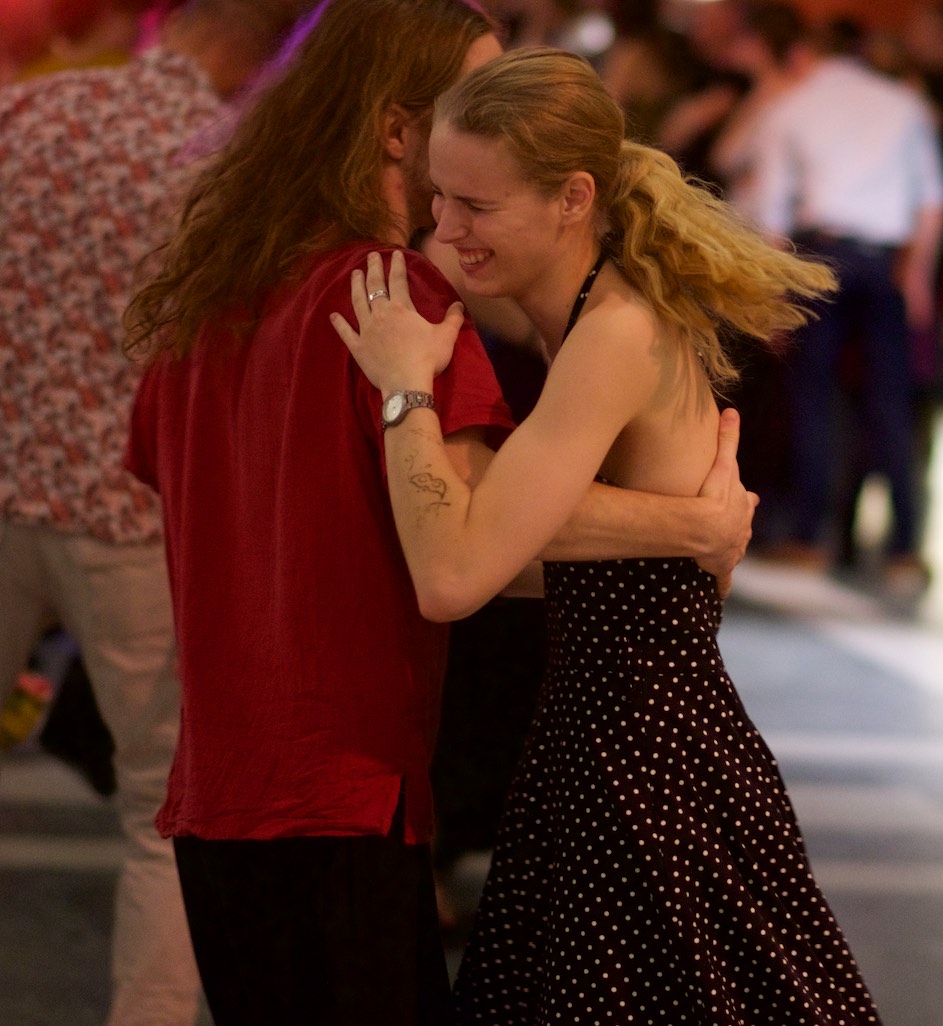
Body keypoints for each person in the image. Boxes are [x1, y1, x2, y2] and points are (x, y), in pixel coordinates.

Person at [122, 3, 753, 1022]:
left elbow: (200, 485)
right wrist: (687, 528)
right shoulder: (397, 297)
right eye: (472, 93)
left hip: (218, 785)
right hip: (343, 778)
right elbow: (475, 538)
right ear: (397, 128)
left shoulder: (214, 295)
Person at [331, 46, 882, 1025]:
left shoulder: (615, 332)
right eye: (438, 197)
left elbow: (452, 575)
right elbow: (540, 563)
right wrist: (681, 529)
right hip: (610, 742)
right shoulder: (577, 304)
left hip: (643, 760)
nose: (443, 228)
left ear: (573, 198)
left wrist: (405, 387)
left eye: (476, 206)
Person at [0, 1, 305, 1021]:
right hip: (135, 513)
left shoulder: (31, 112)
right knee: (162, 811)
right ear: (269, 50)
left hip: (5, 477)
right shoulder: (225, 160)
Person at [740, 1, 943, 585]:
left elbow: (772, 217)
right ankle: (905, 545)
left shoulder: (792, 106)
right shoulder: (904, 103)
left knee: (813, 397)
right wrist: (917, 276)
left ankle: (810, 534)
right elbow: (934, 201)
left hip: (820, 255)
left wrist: (774, 297)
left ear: (809, 54)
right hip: (884, 261)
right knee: (890, 402)